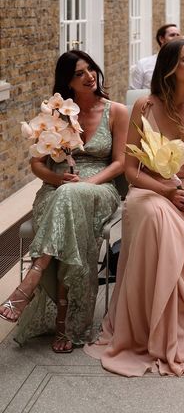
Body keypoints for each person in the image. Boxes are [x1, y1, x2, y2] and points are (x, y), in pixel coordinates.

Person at [85, 39, 184, 376]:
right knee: (155, 216)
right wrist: (167, 190)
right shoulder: (144, 108)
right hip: (151, 190)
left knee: (181, 218)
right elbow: (132, 170)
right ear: (169, 67)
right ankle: (169, 333)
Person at [0, 50, 128, 353]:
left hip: (99, 189)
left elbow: (120, 162)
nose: (89, 76)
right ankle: (64, 323)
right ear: (67, 83)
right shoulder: (57, 115)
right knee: (67, 205)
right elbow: (38, 165)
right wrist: (59, 179)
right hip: (56, 189)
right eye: (78, 73)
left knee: (72, 196)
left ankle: (31, 280)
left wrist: (88, 182)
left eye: (91, 69)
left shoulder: (117, 111)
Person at [130, 23, 181, 89]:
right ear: (161, 39)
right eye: (172, 35)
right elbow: (134, 92)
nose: (176, 38)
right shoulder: (143, 64)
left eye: (178, 35)